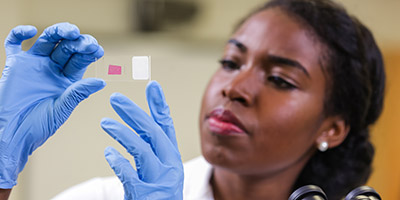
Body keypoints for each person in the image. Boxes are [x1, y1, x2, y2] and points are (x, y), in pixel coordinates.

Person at [0, 0, 385, 199]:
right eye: (231, 62)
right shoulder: (107, 196)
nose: (234, 88)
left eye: (280, 79)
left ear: (331, 128)